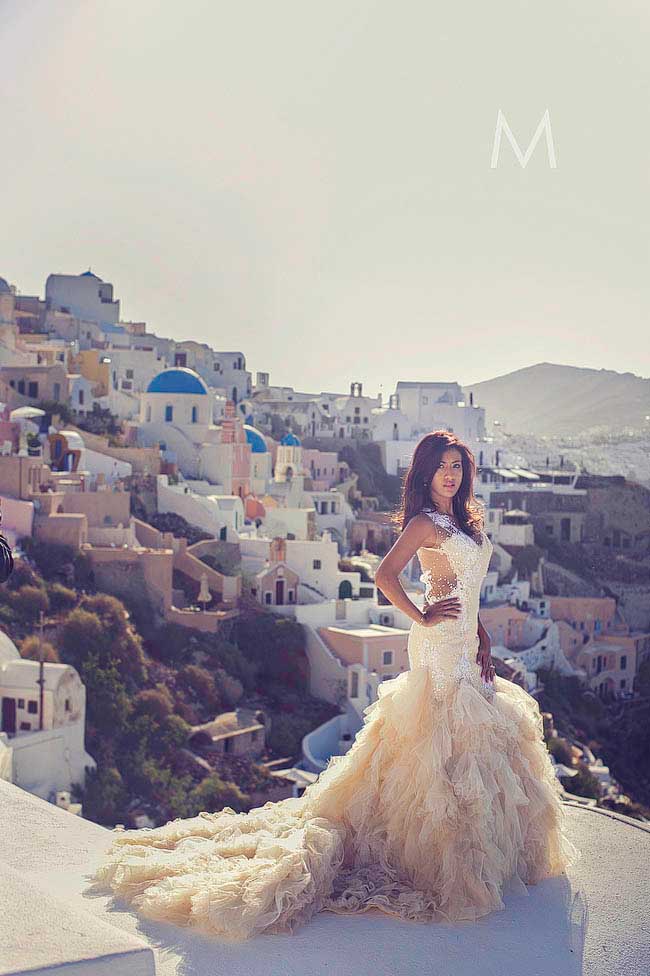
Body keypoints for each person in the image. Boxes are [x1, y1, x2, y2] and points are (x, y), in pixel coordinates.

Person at [87, 430, 581, 941]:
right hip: (436, 644)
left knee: (472, 746)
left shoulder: (464, 521)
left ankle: (483, 855)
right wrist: (423, 615)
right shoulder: (423, 522)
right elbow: (386, 576)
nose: (450, 474)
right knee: (438, 746)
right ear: (426, 473)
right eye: (441, 467)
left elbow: (468, 589)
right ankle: (432, 857)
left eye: (457, 465)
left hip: (465, 640)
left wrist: (478, 631)